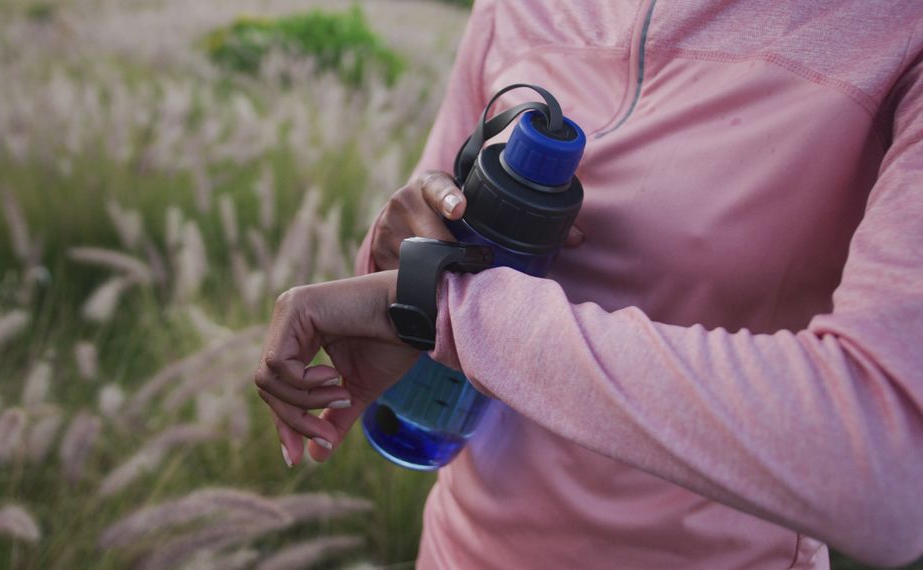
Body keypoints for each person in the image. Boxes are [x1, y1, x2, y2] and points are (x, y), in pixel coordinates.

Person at [254, 1, 923, 568]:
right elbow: (418, 253)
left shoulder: (893, 30)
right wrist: (395, 252)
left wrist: (459, 312)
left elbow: (890, 468)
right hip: (459, 550)